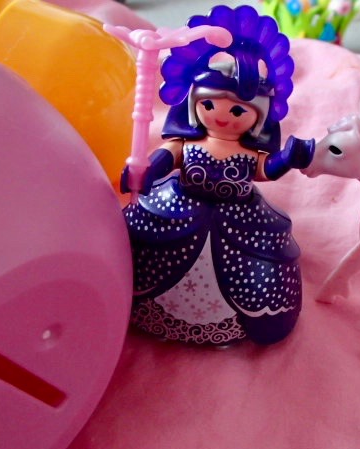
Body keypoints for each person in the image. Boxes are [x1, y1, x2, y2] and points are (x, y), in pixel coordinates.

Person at [122, 5, 314, 346]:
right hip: (178, 207)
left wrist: (288, 158)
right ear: (194, 104)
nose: (221, 116)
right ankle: (139, 307)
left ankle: (238, 324)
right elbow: (165, 157)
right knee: (146, 248)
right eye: (208, 105)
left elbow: (265, 170)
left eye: (238, 110)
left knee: (252, 269)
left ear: (257, 116)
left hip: (239, 217)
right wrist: (144, 173)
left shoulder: (249, 153)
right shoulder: (186, 144)